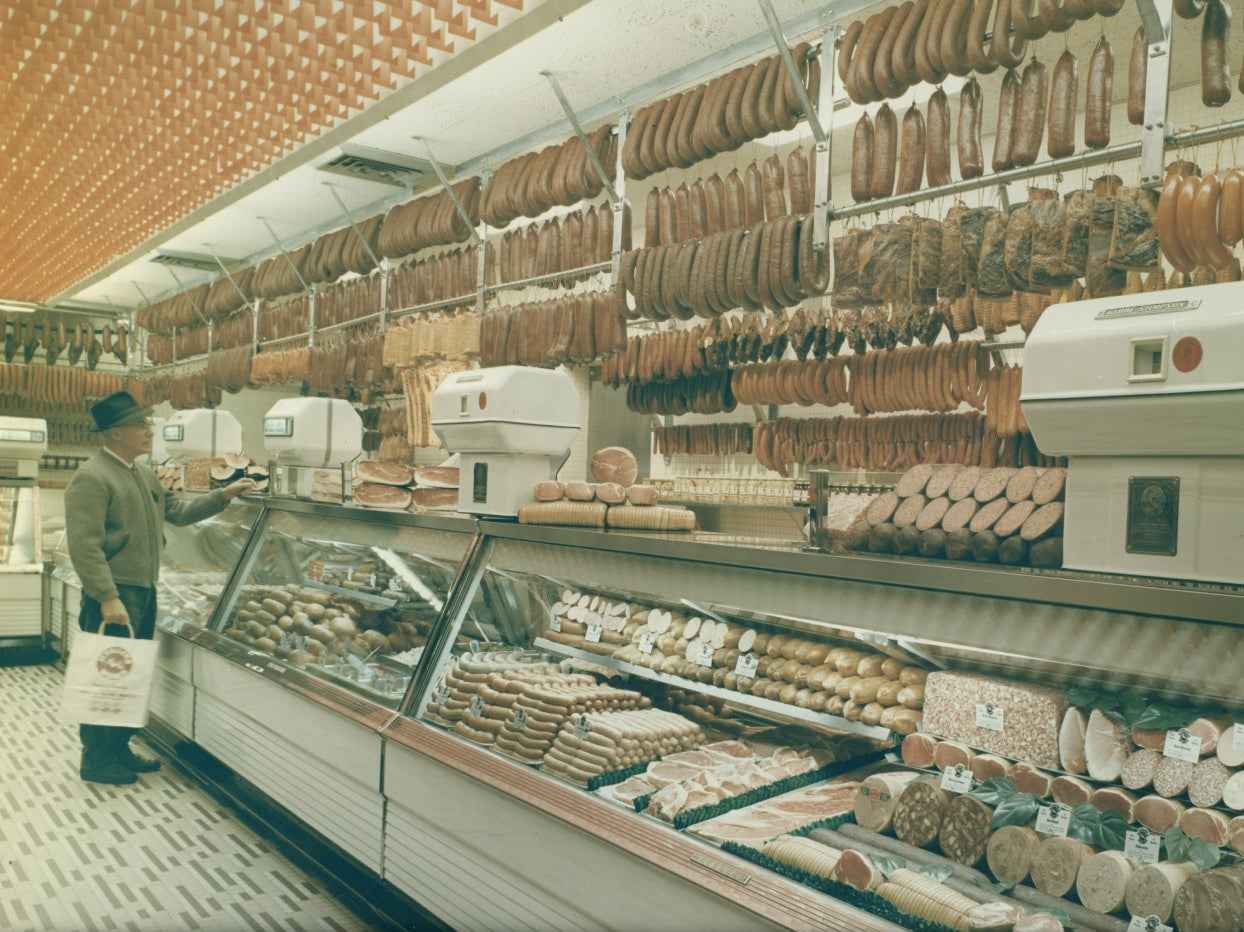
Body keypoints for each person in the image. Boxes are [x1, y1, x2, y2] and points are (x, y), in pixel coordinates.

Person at [65, 390, 255, 785]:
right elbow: (85, 547)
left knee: (129, 675)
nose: (150, 431)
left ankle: (118, 749)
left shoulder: (143, 473)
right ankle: (96, 761)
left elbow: (180, 514)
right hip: (116, 594)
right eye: (142, 425)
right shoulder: (92, 477)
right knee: (105, 675)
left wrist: (223, 495)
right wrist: (107, 596)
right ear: (116, 433)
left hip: (143, 590)